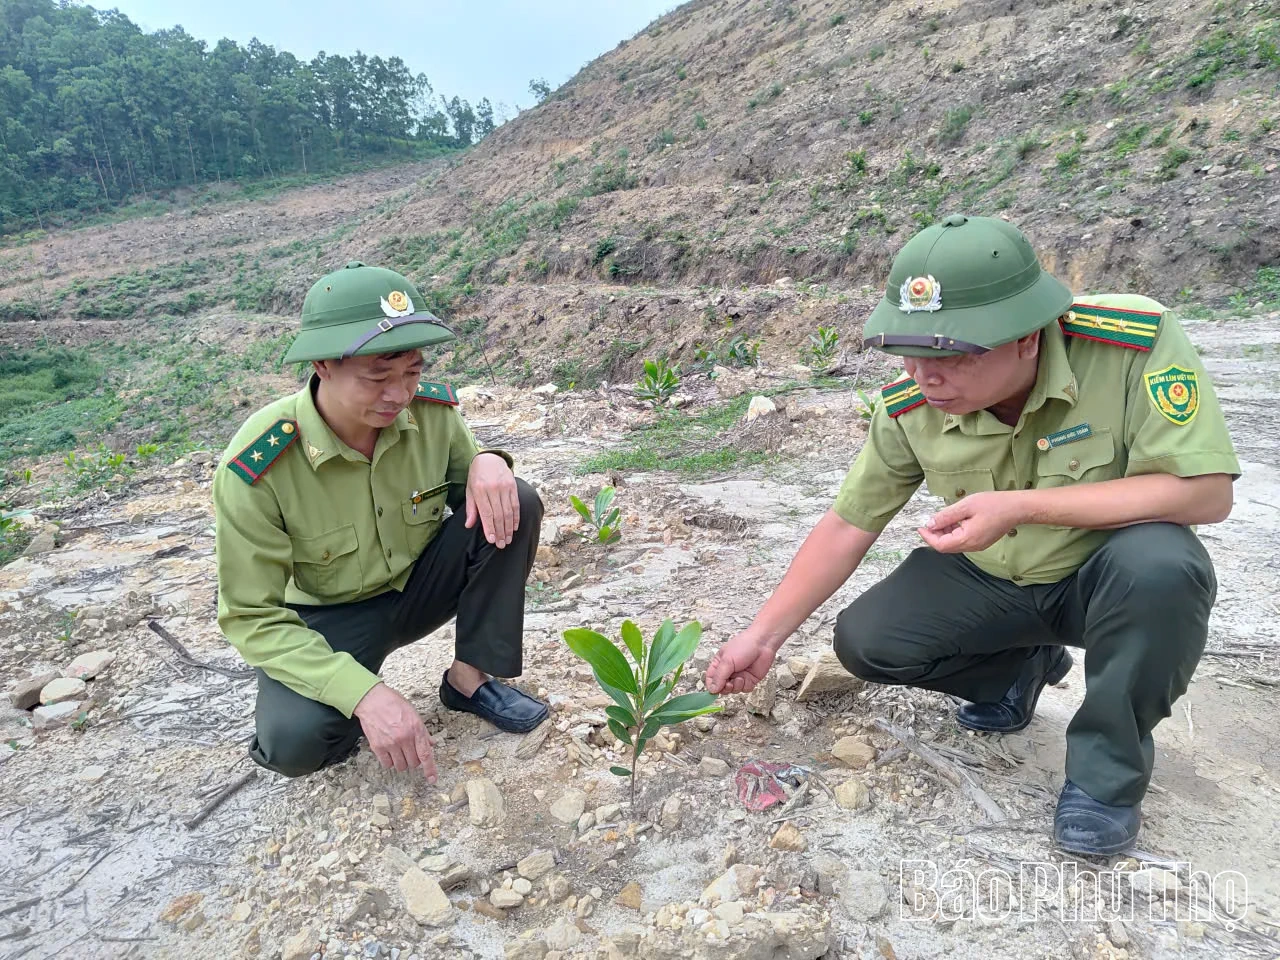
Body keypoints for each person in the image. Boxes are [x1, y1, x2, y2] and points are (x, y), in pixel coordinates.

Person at [703, 214, 1240, 855]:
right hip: (997, 577)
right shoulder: (912, 405)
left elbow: (1207, 493)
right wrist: (761, 637)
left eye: (954, 354)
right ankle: (1018, 670)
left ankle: (1106, 777)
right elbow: (850, 521)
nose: (928, 377)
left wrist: (1023, 507)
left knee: (1163, 565)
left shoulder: (1130, 345)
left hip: (1106, 579)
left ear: (1026, 337)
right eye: (912, 351)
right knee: (868, 640)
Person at [212, 260, 548, 783]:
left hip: (418, 588)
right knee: (295, 743)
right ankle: (355, 704)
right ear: (324, 365)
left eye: (412, 371)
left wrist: (490, 461)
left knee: (516, 501)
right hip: (330, 619)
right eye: (378, 377)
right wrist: (362, 694)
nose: (400, 393)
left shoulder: (432, 414)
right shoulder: (262, 465)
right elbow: (250, 616)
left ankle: (468, 680)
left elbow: (477, 494)